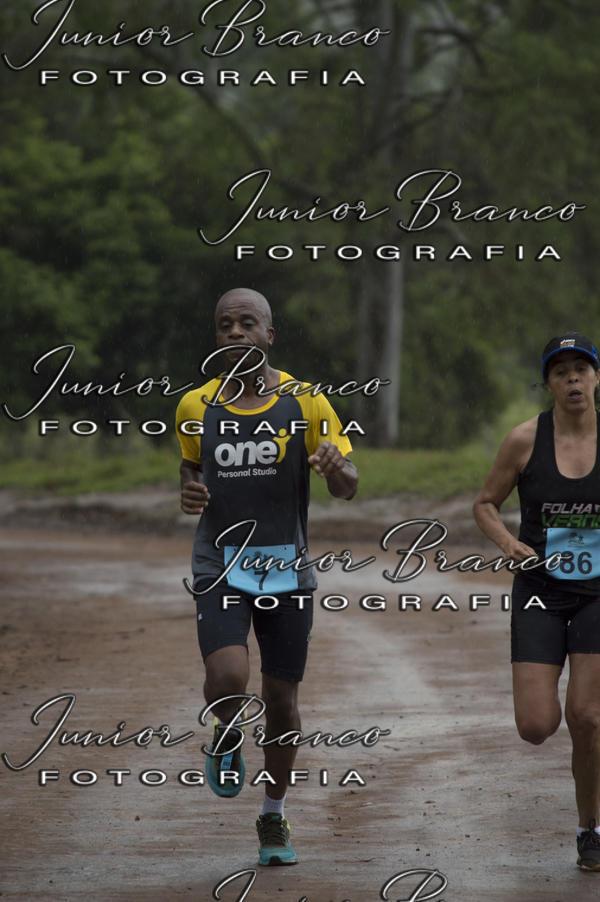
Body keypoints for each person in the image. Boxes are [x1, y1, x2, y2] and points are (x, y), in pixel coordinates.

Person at [175, 287, 358, 867]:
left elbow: (348, 482)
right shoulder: (195, 406)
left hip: (285, 564)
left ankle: (273, 816)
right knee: (229, 676)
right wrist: (189, 488)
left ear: (268, 335)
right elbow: (191, 464)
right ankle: (227, 732)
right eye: (224, 324)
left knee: (281, 699)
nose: (234, 332)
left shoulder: (306, 402)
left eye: (246, 323)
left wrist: (336, 467)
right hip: (219, 562)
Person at [473, 331, 600, 872]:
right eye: (561, 370)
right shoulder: (525, 439)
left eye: (582, 368)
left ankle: (590, 829)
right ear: (547, 383)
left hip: (598, 591)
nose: (572, 378)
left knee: (588, 717)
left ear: (596, 377)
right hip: (540, 593)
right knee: (537, 725)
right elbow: (484, 504)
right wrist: (509, 545)